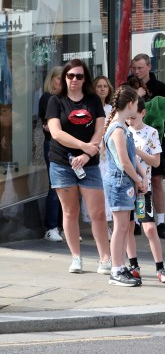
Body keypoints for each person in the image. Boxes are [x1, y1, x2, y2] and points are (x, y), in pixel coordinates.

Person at [46, 59, 111, 275]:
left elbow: (100, 130)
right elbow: (56, 133)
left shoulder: (93, 101)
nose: (74, 79)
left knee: (98, 213)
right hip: (62, 163)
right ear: (64, 77)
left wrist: (85, 154)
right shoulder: (56, 101)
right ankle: (76, 257)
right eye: (70, 75)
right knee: (70, 211)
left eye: (79, 76)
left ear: (85, 78)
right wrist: (83, 146)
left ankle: (105, 258)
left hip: (89, 165)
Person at [124, 97, 165, 283]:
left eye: (134, 117)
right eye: (128, 118)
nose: (130, 121)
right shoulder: (122, 131)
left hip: (144, 189)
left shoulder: (151, 132)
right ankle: (133, 266)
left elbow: (156, 161)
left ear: (143, 113)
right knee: (128, 226)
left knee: (150, 228)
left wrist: (137, 152)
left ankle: (160, 268)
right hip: (126, 188)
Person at [102, 85, 147, 286]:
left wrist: (142, 174)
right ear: (130, 104)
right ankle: (116, 269)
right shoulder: (118, 129)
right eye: (136, 103)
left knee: (123, 227)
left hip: (124, 182)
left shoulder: (121, 127)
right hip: (120, 183)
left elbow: (131, 156)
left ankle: (120, 267)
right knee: (120, 228)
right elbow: (124, 161)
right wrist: (138, 179)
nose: (137, 107)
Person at [130, 53, 165, 240]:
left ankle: (160, 222)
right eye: (134, 68)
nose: (137, 71)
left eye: (140, 67)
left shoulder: (162, 88)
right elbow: (120, 110)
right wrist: (135, 96)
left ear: (149, 66)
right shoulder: (128, 88)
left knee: (156, 180)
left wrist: (154, 122)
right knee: (135, 182)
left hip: (153, 140)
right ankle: (137, 219)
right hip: (132, 141)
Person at [39, 66, 65, 242]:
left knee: (66, 187)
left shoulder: (64, 99)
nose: (62, 82)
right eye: (59, 78)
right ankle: (51, 227)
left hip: (65, 145)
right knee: (55, 186)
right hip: (53, 145)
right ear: (52, 79)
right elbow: (51, 125)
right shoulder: (48, 98)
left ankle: (62, 227)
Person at [92, 75, 115, 230]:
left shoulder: (111, 110)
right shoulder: (90, 108)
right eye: (99, 86)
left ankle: (109, 223)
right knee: (97, 189)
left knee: (109, 188)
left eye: (105, 86)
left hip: (110, 153)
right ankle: (100, 224)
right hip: (95, 151)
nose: (102, 89)